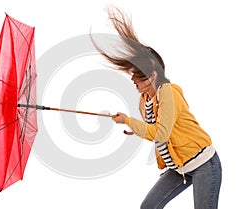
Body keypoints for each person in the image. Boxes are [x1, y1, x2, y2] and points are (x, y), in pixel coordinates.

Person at [91, 6, 222, 209]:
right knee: (148, 206)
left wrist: (128, 121)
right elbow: (157, 128)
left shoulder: (168, 92)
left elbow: (160, 133)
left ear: (152, 74)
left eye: (137, 74)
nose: (132, 78)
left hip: (204, 164)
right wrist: (133, 128)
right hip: (179, 168)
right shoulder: (145, 100)